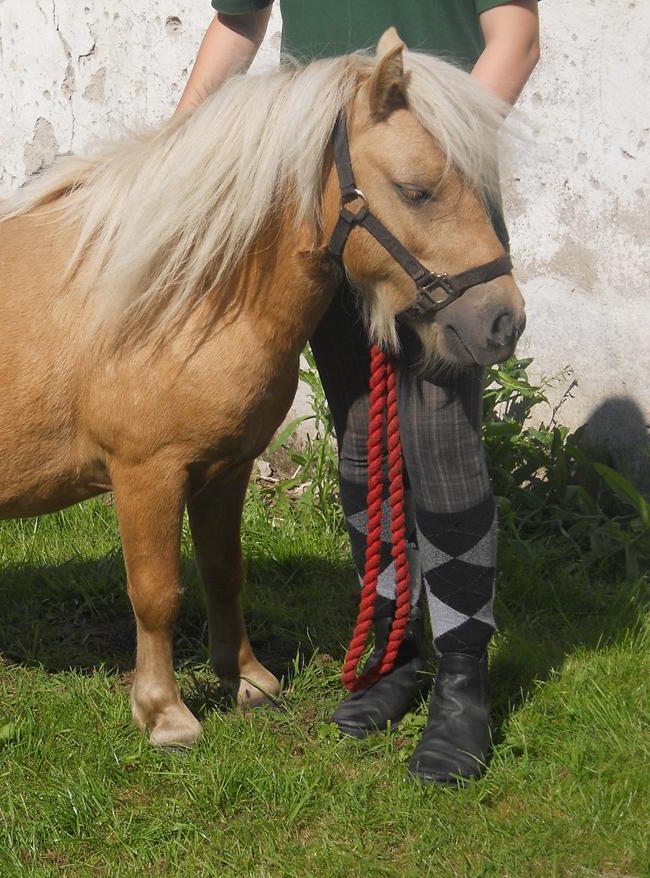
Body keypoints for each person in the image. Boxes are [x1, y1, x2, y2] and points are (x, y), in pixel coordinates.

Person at [177, 1, 540, 786]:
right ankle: (393, 648)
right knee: (361, 432)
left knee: (442, 440)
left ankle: (464, 682)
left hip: (432, 212)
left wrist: (432, 163)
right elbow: (238, 23)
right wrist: (178, 150)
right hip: (330, 213)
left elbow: (515, 37)